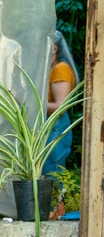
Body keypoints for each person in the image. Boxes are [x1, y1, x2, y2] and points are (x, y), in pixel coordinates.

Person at [43, 30, 79, 176]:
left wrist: (29, 104)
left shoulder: (61, 69)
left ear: (54, 48)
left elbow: (60, 107)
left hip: (56, 127)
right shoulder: (50, 69)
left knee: (53, 175)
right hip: (49, 127)